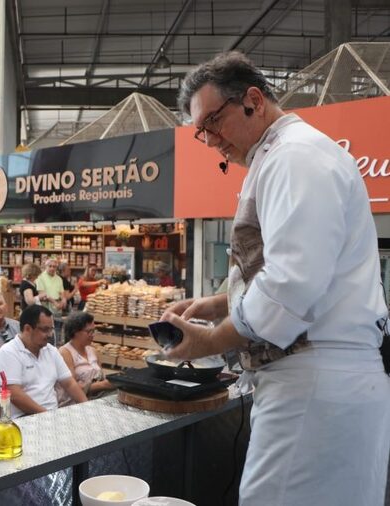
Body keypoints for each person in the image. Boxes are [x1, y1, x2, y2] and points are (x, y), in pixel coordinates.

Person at [161, 51, 390, 506]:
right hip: (319, 381)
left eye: (212, 122)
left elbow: (291, 283)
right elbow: (299, 270)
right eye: (199, 132)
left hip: (312, 380)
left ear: (253, 100)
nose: (208, 141)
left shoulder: (294, 157)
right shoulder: (283, 156)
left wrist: (211, 341)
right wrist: (218, 302)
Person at [0, 305, 86, 419]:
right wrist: (48, 416)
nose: (50, 334)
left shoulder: (50, 351)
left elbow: (69, 383)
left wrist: (87, 407)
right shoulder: (8, 353)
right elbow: (14, 395)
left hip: (50, 415)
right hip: (19, 421)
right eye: (45, 330)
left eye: (51, 329)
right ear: (27, 329)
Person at [56, 311, 114, 406]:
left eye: (93, 331)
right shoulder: (65, 353)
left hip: (95, 398)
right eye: (88, 331)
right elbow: (72, 387)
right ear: (75, 332)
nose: (92, 334)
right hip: (74, 404)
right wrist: (103, 385)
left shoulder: (92, 351)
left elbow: (101, 377)